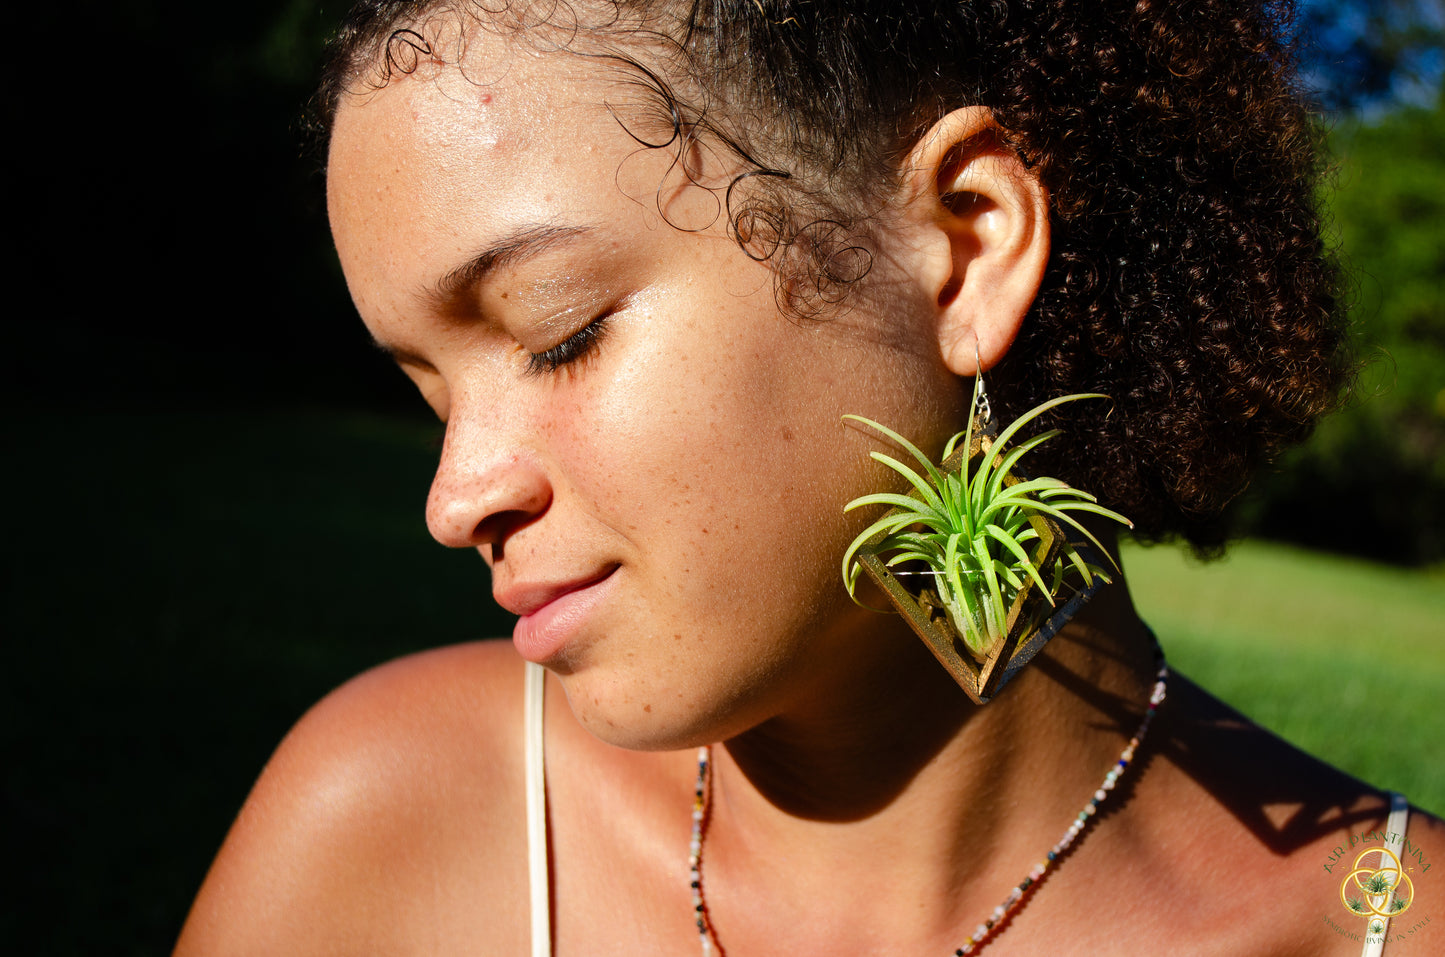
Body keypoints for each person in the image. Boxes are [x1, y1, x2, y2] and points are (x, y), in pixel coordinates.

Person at [176, 2, 1441, 954]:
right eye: (429, 387)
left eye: (555, 330)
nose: (455, 499)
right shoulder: (389, 824)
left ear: (960, 245)